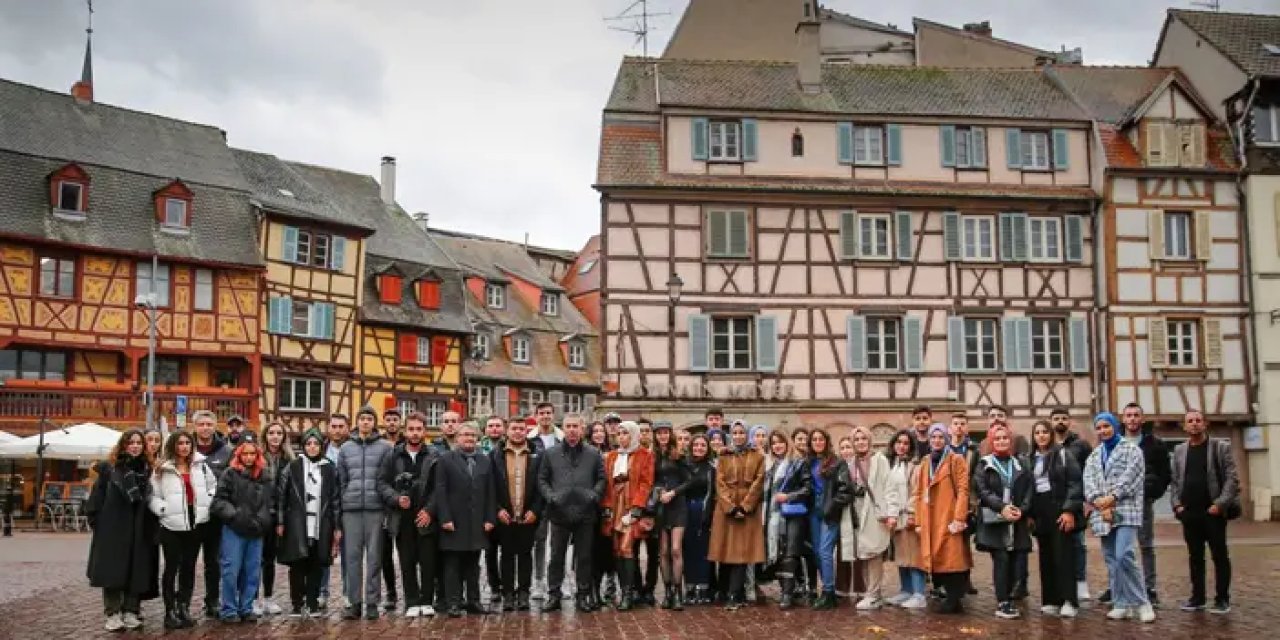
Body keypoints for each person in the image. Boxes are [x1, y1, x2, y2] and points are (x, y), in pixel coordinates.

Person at [1083, 412, 1156, 623]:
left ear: (1115, 426)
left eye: (1107, 426)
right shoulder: (1094, 455)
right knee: (1112, 559)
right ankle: (1121, 602)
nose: (1103, 430)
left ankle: (1142, 602)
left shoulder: (1132, 450)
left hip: (1126, 508)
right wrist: (1098, 501)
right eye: (1099, 427)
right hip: (1102, 513)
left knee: (1124, 554)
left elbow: (1132, 478)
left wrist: (1112, 498)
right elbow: (1089, 481)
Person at [87, 429, 158, 632]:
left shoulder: (148, 470)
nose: (135, 446)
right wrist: (99, 524)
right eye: (131, 442)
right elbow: (96, 500)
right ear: (124, 445)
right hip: (113, 527)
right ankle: (113, 613)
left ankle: (131, 610)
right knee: (113, 571)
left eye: (138, 443)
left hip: (139, 526)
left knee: (136, 569)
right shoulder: (110, 470)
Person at [1170, 409, 1238, 614]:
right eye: (1190, 421)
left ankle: (1222, 599)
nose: (1194, 424)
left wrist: (1220, 503)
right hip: (1190, 514)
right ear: (1184, 426)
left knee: (1219, 556)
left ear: (1205, 424)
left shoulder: (1220, 447)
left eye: (1198, 420)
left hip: (1213, 513)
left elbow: (1232, 479)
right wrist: (1177, 506)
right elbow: (1174, 482)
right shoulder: (1180, 451)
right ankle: (1197, 598)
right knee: (1195, 557)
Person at [537, 413, 606, 613]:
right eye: (568, 426)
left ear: (583, 428)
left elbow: (602, 478)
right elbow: (542, 479)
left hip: (585, 512)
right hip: (559, 512)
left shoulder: (593, 453)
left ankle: (583, 596)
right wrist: (551, 496)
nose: (572, 430)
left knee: (584, 557)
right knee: (556, 556)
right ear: (563, 428)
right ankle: (554, 595)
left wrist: (594, 495)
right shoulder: (551, 453)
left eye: (576, 426)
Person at [1104, 403, 1169, 608]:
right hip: (1117, 503)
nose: (1132, 419)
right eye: (1128, 415)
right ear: (1123, 420)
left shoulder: (1155, 445)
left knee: (1146, 545)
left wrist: (1151, 493)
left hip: (1142, 502)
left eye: (1136, 415)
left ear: (1142, 419)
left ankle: (1149, 588)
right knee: (1117, 547)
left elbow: (1165, 474)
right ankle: (1118, 586)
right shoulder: (1115, 443)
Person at [150, 431, 217, 629]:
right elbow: (152, 495)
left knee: (189, 568)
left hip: (195, 523)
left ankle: (183, 606)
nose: (185, 446)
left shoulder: (200, 465)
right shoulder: (162, 469)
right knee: (171, 568)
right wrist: (162, 509)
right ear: (173, 445)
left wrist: (207, 502)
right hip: (171, 524)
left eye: (188, 442)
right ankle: (169, 610)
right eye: (180, 443)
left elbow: (213, 486)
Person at [377, 411, 440, 618]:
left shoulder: (434, 455)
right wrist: (396, 499)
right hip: (402, 517)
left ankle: (426, 601)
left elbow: (440, 486)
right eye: (411, 429)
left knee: (428, 560)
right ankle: (411, 601)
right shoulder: (392, 455)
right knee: (407, 560)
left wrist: (430, 510)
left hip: (426, 515)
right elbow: (382, 483)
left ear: (425, 431)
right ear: (405, 430)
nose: (414, 433)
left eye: (418, 429)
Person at [276, 429, 341, 617]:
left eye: (316, 444)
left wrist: (337, 526)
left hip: (321, 522)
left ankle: (312, 602)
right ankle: (297, 603)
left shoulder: (329, 468)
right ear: (304, 446)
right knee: (297, 563)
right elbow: (282, 496)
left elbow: (335, 499)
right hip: (297, 521)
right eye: (308, 444)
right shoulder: (293, 466)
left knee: (316, 562)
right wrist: (280, 521)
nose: (312, 447)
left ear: (321, 446)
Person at [336, 406, 394, 620]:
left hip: (376, 509)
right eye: (362, 418)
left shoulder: (386, 447)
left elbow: (388, 480)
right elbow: (341, 481)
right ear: (357, 422)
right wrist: (343, 504)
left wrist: (387, 511)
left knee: (374, 558)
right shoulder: (345, 448)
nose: (365, 422)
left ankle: (371, 602)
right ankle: (354, 603)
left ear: (374, 422)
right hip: (351, 510)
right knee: (351, 559)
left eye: (369, 418)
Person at [973, 423, 1034, 620]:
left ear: (1010, 441)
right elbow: (983, 491)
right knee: (1001, 559)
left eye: (1005, 438)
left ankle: (1009, 596)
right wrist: (1002, 507)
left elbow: (1029, 489)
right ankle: (1002, 601)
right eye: (997, 439)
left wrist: (1021, 510)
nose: (1001, 441)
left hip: (1017, 519)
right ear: (992, 442)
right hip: (995, 519)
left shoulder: (1020, 463)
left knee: (1016, 560)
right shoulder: (984, 464)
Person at [436, 422, 497, 617]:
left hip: (477, 521)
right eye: (465, 435)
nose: (469, 438)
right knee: (453, 564)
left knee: (473, 564)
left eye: (473, 435)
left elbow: (491, 492)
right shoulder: (445, 460)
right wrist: (445, 517)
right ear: (457, 438)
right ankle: (453, 602)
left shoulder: (485, 460)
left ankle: (473, 601)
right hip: (454, 520)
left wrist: (489, 518)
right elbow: (440, 490)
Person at [211, 437, 273, 623]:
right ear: (239, 455)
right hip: (234, 529)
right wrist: (235, 516)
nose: (248, 457)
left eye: (252, 454)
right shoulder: (230, 474)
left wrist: (264, 520)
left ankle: (246, 607)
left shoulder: (265, 475)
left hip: (256, 530)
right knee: (231, 570)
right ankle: (229, 609)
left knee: (252, 571)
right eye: (245, 454)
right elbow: (219, 501)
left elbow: (271, 502)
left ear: (257, 455)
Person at [911, 423, 972, 614]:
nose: (937, 441)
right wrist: (919, 521)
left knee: (952, 558)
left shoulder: (956, 460)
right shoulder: (925, 462)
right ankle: (951, 596)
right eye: (933, 437)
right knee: (937, 558)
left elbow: (963, 490)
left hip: (949, 515)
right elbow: (919, 493)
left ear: (946, 439)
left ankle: (954, 598)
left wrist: (959, 517)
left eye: (940, 437)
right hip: (930, 518)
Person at [707, 421, 766, 611]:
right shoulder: (723, 456)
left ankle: (735, 593)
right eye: (735, 432)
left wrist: (746, 506)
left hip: (748, 510)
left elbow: (759, 481)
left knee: (742, 553)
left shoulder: (757, 456)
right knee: (725, 551)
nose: (739, 436)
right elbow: (720, 482)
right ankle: (723, 591)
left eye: (742, 433)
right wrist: (731, 507)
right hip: (726, 510)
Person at [1028, 420, 1083, 618]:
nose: (1041, 436)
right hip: (1040, 510)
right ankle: (1051, 599)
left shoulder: (1063, 454)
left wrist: (1068, 510)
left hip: (1059, 507)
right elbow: (1028, 488)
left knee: (1063, 556)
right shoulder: (1030, 459)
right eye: (1037, 433)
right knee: (1046, 556)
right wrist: (1030, 514)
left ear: (1051, 435)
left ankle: (1069, 600)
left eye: (1045, 432)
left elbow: (1075, 482)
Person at [492, 416, 544, 612]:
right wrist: (497, 509)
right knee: (505, 556)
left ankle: (523, 593)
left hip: (527, 515)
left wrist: (536, 510)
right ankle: (507, 594)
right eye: (514, 428)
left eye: (521, 429)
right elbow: (490, 487)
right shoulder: (496, 455)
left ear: (526, 431)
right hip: (505, 515)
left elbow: (542, 486)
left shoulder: (537, 454)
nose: (517, 432)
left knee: (525, 555)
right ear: (507, 430)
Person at [602, 421, 655, 611]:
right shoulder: (611, 456)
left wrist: (637, 508)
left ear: (633, 435)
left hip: (631, 506)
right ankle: (625, 589)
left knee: (627, 548)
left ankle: (628, 592)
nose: (621, 437)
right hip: (615, 506)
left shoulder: (645, 455)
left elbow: (645, 483)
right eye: (619, 433)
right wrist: (607, 506)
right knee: (616, 549)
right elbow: (607, 484)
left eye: (625, 433)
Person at [841, 427, 894, 611]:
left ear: (869, 440)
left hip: (874, 511)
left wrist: (890, 513)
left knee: (874, 553)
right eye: (856, 439)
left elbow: (889, 487)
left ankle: (874, 594)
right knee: (862, 553)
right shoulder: (850, 462)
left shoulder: (880, 461)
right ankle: (870, 593)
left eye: (864, 438)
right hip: (856, 511)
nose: (860, 442)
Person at [1050, 407, 1093, 602]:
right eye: (1056, 418)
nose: (1060, 421)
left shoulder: (1080, 445)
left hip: (1076, 501)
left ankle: (1081, 581)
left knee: (1078, 543)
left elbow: (1090, 472)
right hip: (1052, 502)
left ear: (1070, 421)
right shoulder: (1046, 444)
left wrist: (1087, 500)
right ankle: (1061, 584)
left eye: (1064, 418)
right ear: (1051, 421)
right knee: (1056, 546)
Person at [762, 431, 809, 610]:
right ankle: (790, 589)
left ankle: (787, 595)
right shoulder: (770, 466)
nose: (777, 446)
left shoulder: (798, 463)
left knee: (790, 553)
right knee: (780, 553)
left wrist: (788, 496)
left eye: (780, 442)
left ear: (787, 443)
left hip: (793, 514)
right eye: (773, 443)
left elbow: (807, 489)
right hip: (773, 516)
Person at [191, 410, 232, 618]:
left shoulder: (226, 451)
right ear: (195, 426)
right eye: (201, 424)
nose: (205, 428)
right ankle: (183, 603)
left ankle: (212, 601)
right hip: (190, 515)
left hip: (215, 516)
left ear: (215, 426)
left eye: (209, 424)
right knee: (187, 562)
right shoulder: (186, 448)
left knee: (213, 562)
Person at [884, 430, 926, 609]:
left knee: (914, 555)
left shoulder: (915, 465)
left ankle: (919, 593)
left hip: (909, 515)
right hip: (895, 517)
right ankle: (906, 590)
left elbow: (917, 491)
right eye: (899, 442)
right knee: (901, 555)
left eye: (906, 443)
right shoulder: (890, 464)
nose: (902, 446)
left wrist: (912, 513)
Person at [651, 421, 691, 610]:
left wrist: (673, 492)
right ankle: (667, 592)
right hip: (661, 507)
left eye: (666, 432)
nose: (663, 436)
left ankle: (677, 592)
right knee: (664, 552)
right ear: (655, 436)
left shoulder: (679, 454)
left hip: (678, 505)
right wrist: (657, 492)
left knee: (676, 550)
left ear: (670, 434)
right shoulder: (652, 456)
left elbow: (689, 481)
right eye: (659, 433)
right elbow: (649, 479)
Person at [257, 421, 293, 616]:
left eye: (279, 433)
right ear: (265, 435)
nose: (275, 436)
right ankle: (253, 599)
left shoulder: (290, 459)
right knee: (255, 559)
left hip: (278, 515)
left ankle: (269, 598)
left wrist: (282, 519)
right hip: (259, 514)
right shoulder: (257, 457)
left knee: (270, 559)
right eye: (271, 433)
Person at [529, 404, 561, 598]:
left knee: (559, 542)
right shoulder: (530, 439)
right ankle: (539, 581)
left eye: (548, 413)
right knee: (539, 540)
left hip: (559, 496)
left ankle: (560, 580)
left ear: (553, 416)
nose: (545, 416)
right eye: (542, 413)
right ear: (536, 416)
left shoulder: (562, 438)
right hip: (538, 496)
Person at [319, 414, 351, 609]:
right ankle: (322, 592)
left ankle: (348, 592)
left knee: (349, 553)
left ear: (347, 428)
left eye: (341, 426)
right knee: (323, 551)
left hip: (347, 506)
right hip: (326, 507)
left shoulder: (353, 449)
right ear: (328, 428)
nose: (337, 430)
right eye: (334, 426)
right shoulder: (319, 449)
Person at [587, 420, 618, 605]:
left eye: (601, 431)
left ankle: (607, 587)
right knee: (589, 550)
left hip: (608, 506)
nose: (599, 434)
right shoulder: (585, 452)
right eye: (595, 431)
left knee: (606, 549)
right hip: (590, 506)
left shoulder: (611, 454)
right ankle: (591, 589)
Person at [683, 434, 715, 605]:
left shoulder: (711, 468)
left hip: (703, 510)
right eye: (696, 445)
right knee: (688, 550)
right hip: (685, 510)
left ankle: (702, 588)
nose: (699, 448)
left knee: (703, 551)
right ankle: (689, 587)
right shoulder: (684, 465)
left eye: (703, 445)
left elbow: (713, 492)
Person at [478, 415, 507, 606]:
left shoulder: (507, 448)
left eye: (498, 426)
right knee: (489, 551)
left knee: (507, 550)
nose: (495, 429)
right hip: (484, 507)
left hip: (505, 507)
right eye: (491, 426)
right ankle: (494, 586)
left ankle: (507, 585)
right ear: (485, 430)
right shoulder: (478, 450)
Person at [380, 408, 403, 613]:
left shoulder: (407, 444)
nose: (392, 423)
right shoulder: (379, 445)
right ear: (384, 422)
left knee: (408, 553)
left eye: (395, 420)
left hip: (405, 505)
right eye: (388, 420)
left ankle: (413, 590)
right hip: (384, 506)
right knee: (385, 553)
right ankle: (391, 593)